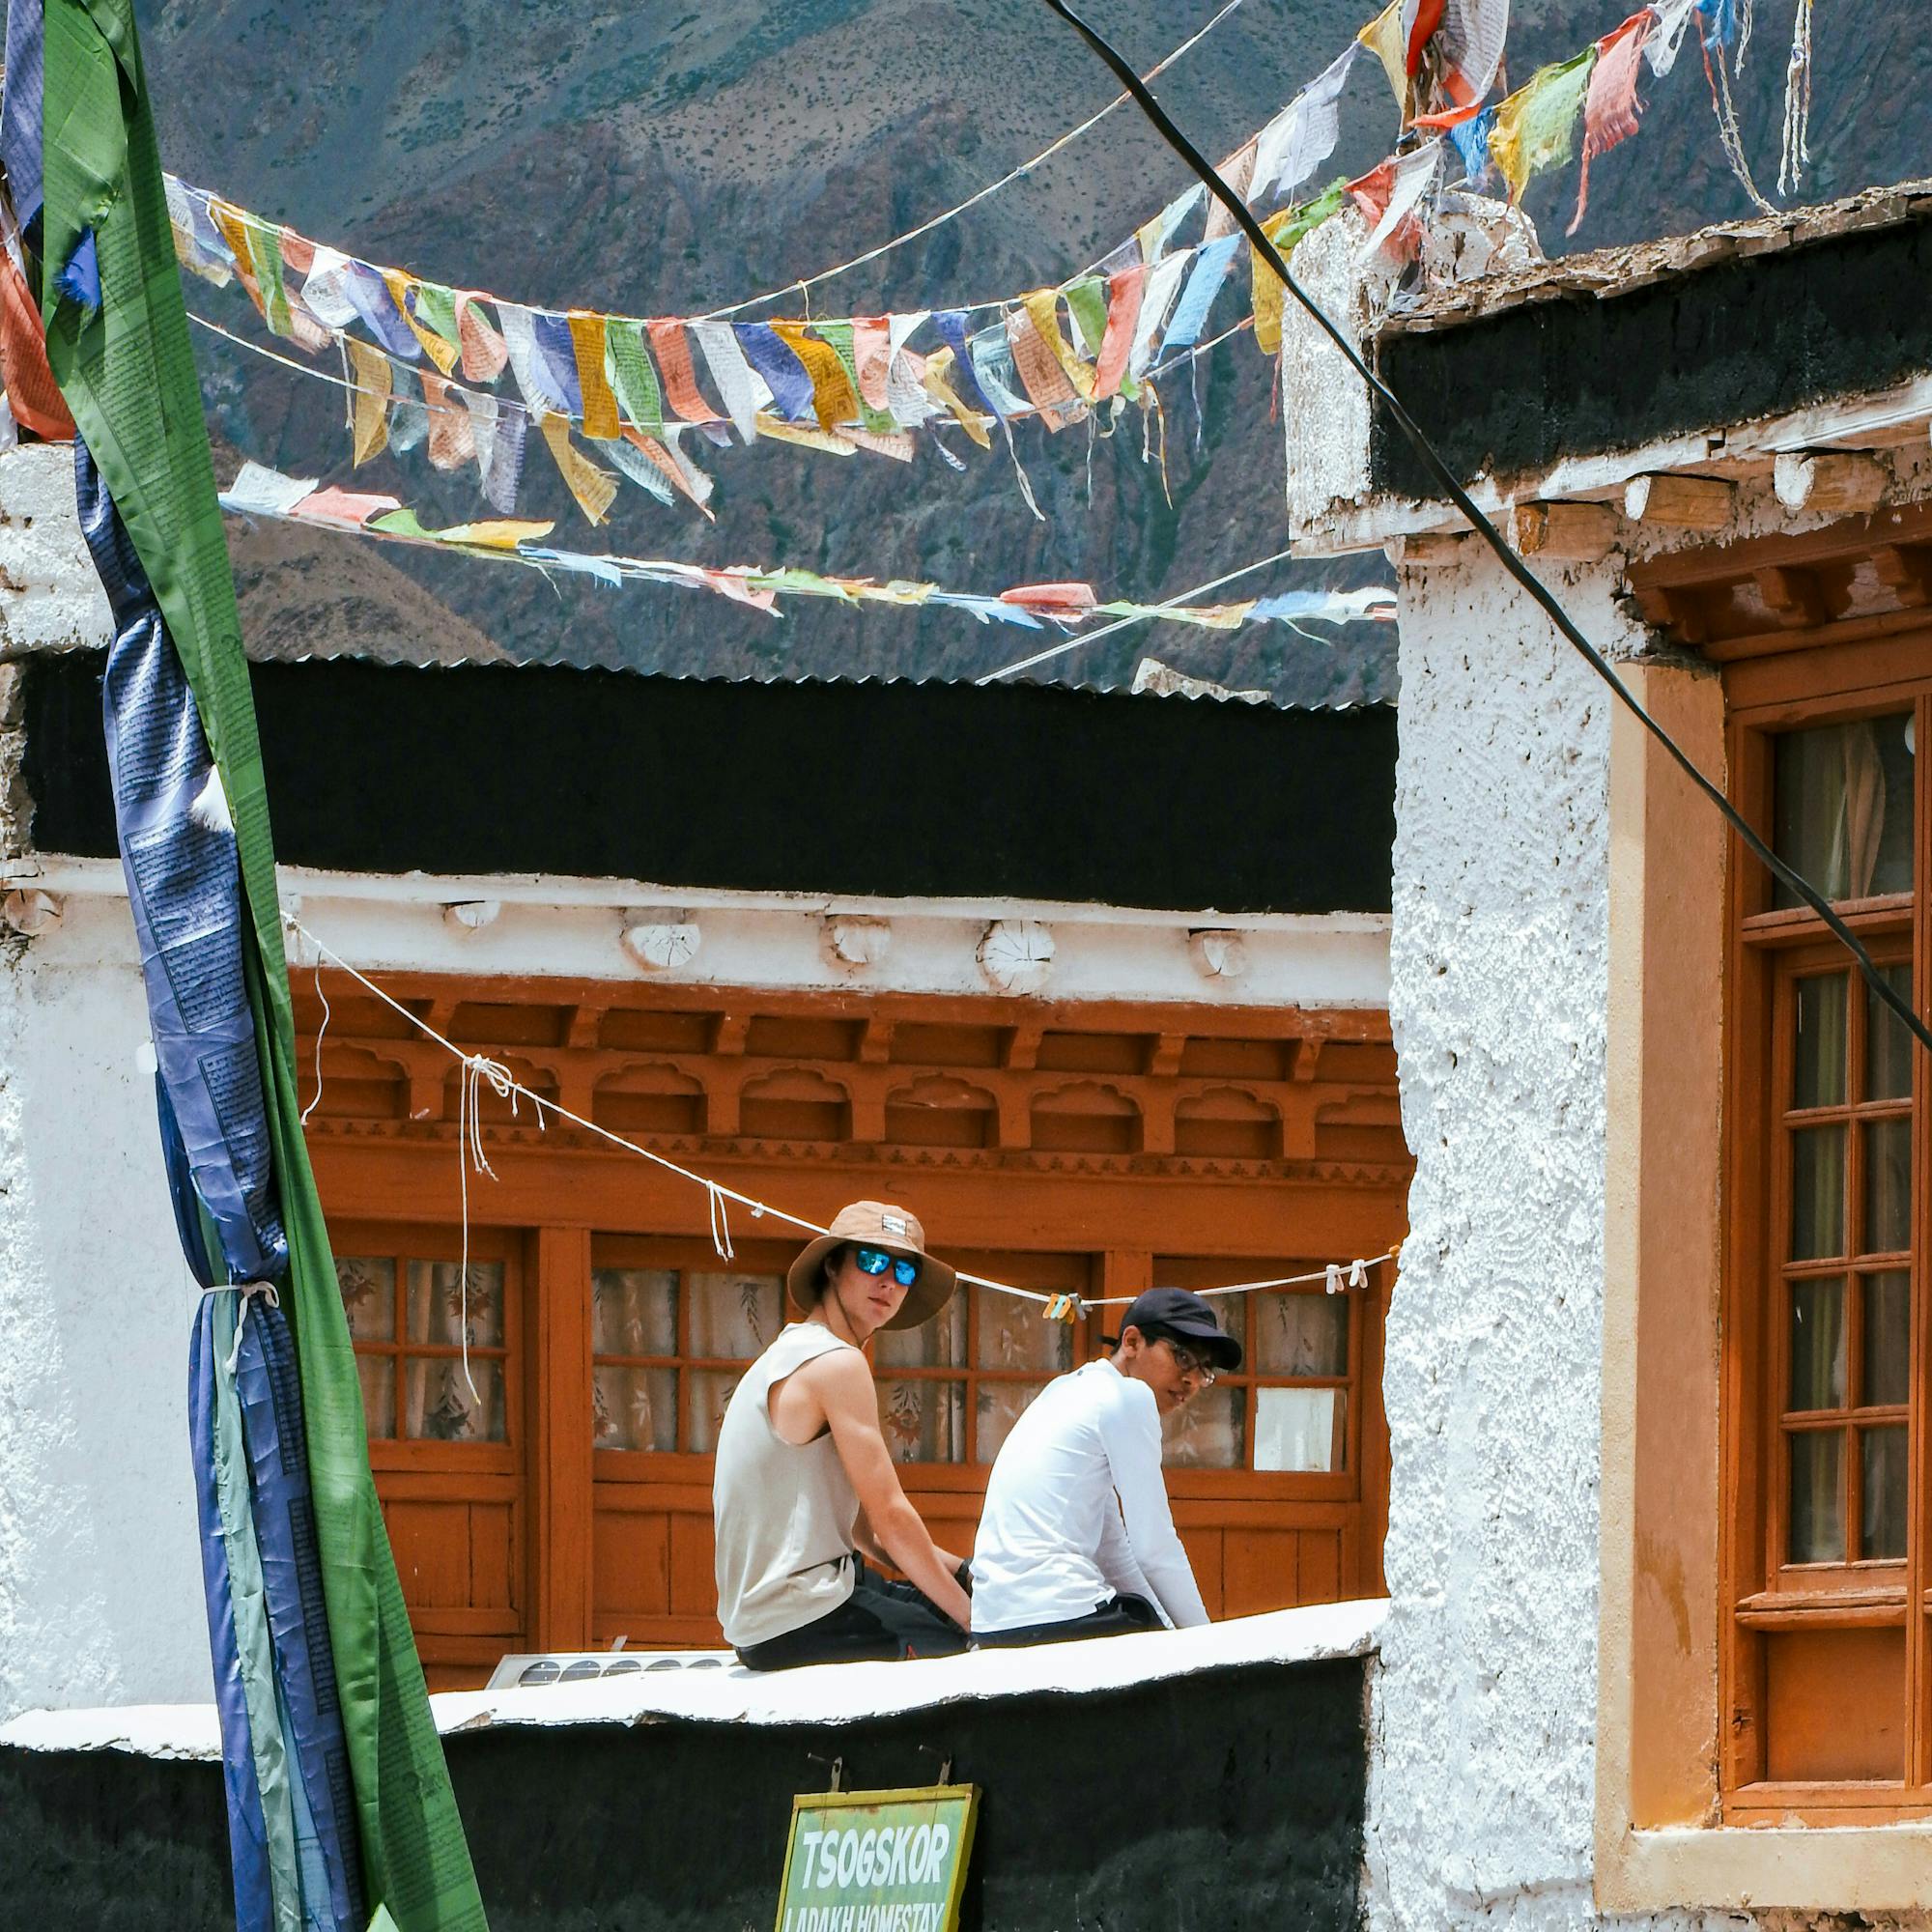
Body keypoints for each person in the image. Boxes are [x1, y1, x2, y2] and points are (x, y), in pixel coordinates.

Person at [714, 1200, 974, 1669]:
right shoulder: (836, 1363)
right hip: (794, 1617)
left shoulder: (790, 1350)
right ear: (833, 1265)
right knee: (960, 1653)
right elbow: (891, 1518)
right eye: (873, 1260)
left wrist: (963, 1572)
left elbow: (863, 1531)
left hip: (782, 1610)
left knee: (940, 1603)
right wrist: (976, 1622)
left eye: (905, 1271)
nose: (889, 1281)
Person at [970, 1287, 1242, 1647]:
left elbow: (1113, 1550)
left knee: (1150, 1624)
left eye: (1205, 1370)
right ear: (1132, 1342)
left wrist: (1172, 1633)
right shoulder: (1128, 1397)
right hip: (1060, 1615)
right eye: (1183, 1358)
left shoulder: (1067, 1390)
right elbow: (1156, 1548)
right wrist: (1209, 1649)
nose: (1192, 1380)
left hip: (993, 1625)